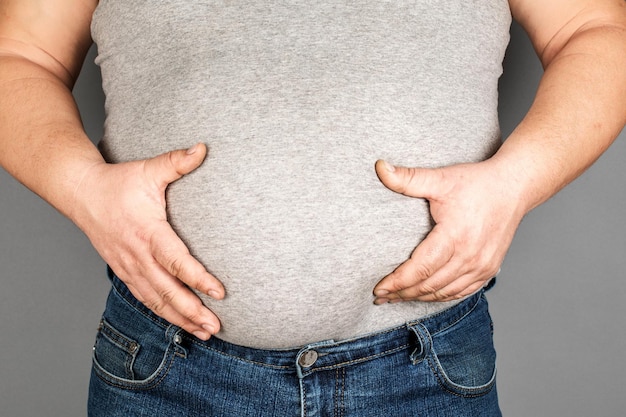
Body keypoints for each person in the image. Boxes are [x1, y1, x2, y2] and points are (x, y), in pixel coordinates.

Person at [1, 0, 625, 415]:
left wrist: (514, 184)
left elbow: (595, 31)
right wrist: (86, 188)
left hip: (423, 370)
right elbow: (19, 55)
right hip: (169, 372)